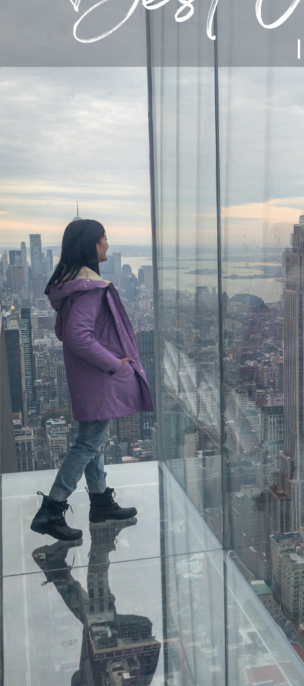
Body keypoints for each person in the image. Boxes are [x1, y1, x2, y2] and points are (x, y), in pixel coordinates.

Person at [31, 219, 154, 542]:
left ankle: (100, 501)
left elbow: (65, 331)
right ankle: (52, 509)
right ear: (91, 246)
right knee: (88, 442)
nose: (108, 245)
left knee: (94, 440)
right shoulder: (89, 289)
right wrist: (115, 364)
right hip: (97, 378)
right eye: (104, 239)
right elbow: (77, 336)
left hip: (87, 377)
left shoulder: (72, 285)